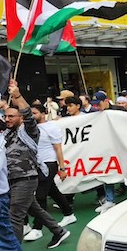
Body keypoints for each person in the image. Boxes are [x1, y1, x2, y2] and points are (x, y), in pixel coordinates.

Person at [4, 83, 70, 249]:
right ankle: (58, 231)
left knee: (16, 215)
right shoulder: (7, 133)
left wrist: (18, 96)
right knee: (34, 209)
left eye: (12, 116)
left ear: (21, 118)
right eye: (6, 116)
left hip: (25, 178)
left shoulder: (30, 131)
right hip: (12, 178)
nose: (7, 119)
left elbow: (27, 113)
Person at [24, 104, 76, 243]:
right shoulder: (28, 128)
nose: (32, 116)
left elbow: (58, 149)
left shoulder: (51, 127)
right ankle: (69, 213)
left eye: (35, 113)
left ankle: (37, 228)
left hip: (49, 163)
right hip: (37, 164)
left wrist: (62, 168)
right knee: (52, 190)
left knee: (40, 195)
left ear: (43, 113)